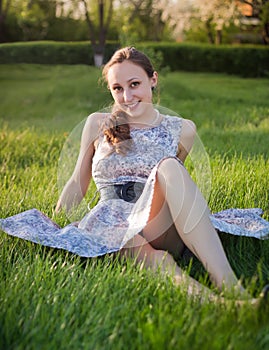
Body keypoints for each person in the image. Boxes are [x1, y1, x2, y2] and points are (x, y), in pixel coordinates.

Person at [1, 46, 268, 303]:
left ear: (153, 79)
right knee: (152, 258)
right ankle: (230, 307)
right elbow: (76, 181)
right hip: (111, 221)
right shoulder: (96, 123)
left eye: (134, 84)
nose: (127, 96)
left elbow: (174, 187)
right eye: (117, 88)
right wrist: (58, 223)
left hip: (157, 220)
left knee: (170, 166)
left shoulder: (183, 129)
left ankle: (231, 286)